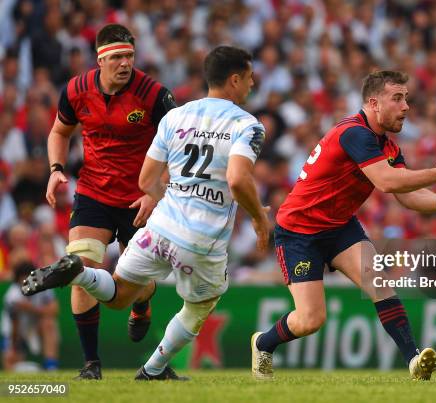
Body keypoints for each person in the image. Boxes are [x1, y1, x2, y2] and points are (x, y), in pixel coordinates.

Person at [22, 45, 269, 380]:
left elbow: (145, 179)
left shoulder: (176, 116)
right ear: (235, 80)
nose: (253, 85)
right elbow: (238, 179)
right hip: (203, 239)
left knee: (119, 295)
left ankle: (78, 272)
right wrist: (258, 217)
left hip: (161, 227)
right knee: (200, 305)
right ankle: (153, 370)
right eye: (250, 78)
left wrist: (163, 197)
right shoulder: (248, 125)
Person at [250, 71, 436, 381]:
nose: (406, 106)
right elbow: (388, 182)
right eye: (398, 98)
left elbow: (408, 196)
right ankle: (263, 342)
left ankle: (413, 360)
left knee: (379, 283)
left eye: (406, 98)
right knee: (310, 319)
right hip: (300, 230)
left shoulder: (387, 146)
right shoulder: (354, 133)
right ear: (374, 103)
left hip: (339, 227)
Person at [45, 24, 177, 379]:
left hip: (138, 199)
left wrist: (155, 193)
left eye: (129, 56)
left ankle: (143, 300)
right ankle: (91, 364)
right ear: (100, 59)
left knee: (132, 283)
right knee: (80, 267)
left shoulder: (154, 95)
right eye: (117, 57)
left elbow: (175, 153)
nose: (125, 64)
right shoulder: (76, 90)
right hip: (93, 194)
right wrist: (56, 168)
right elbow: (60, 131)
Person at [2, 262, 59, 371]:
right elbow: (14, 326)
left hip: (36, 329)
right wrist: (14, 348)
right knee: (10, 365)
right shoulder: (12, 296)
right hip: (16, 334)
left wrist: (31, 308)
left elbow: (54, 310)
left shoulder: (43, 287)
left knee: (48, 323)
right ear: (17, 280)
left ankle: (51, 366)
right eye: (23, 280)